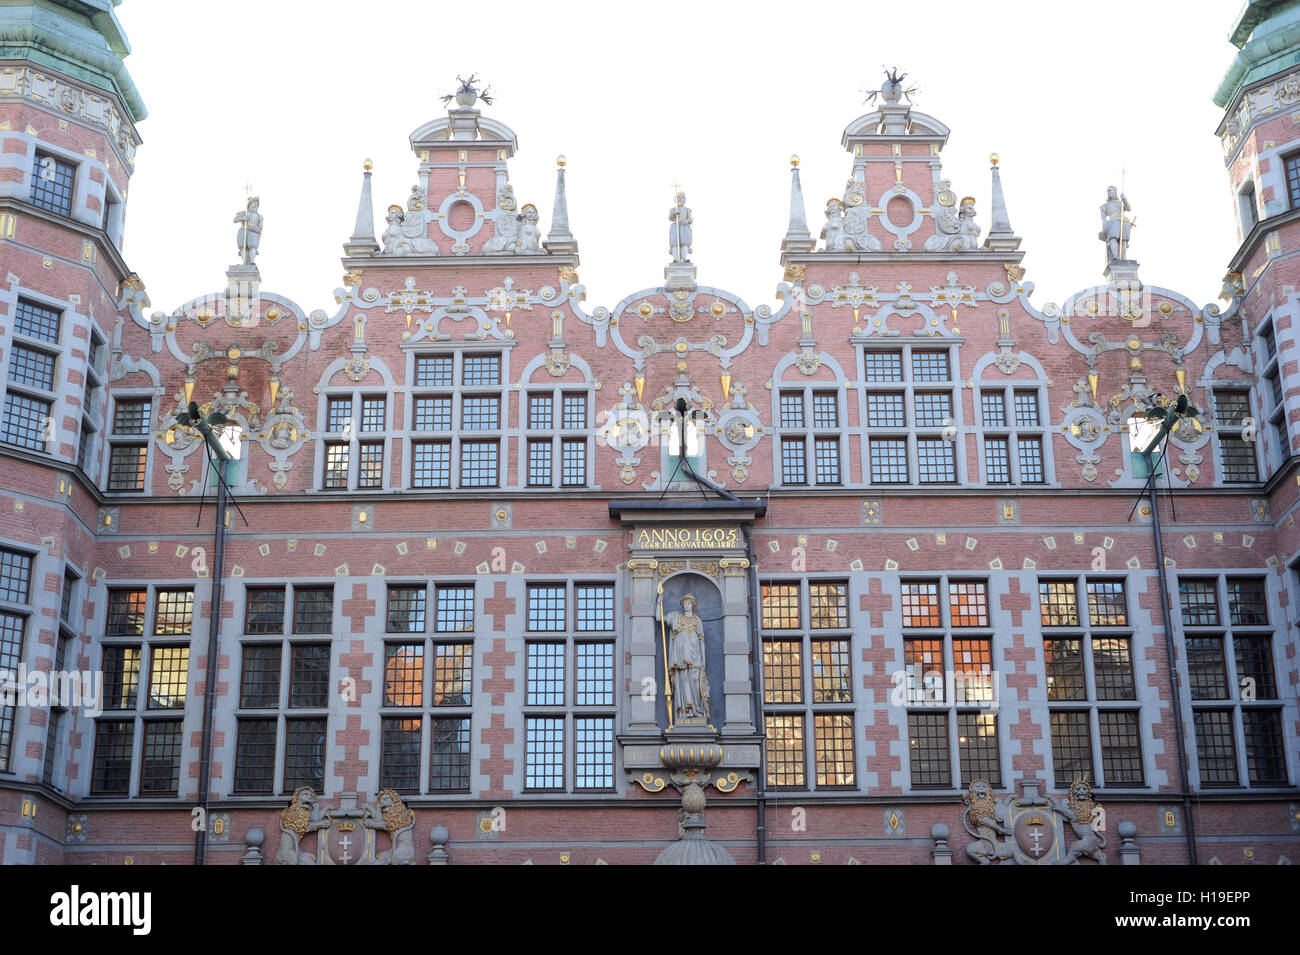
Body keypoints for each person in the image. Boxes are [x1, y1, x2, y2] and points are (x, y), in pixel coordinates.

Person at [663, 594, 709, 723]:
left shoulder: (697, 620)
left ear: (693, 605)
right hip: (680, 657)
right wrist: (659, 601)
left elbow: (701, 641)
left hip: (695, 656)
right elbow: (658, 617)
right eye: (685, 603)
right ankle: (684, 713)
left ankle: (697, 711)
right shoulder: (676, 617)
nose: (687, 605)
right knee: (682, 682)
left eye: (689, 603)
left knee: (695, 682)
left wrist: (703, 659)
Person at [235, 197, 263, 265]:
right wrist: (242, 218)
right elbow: (235, 220)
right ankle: (244, 262)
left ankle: (252, 261)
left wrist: (255, 229)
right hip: (243, 230)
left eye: (256, 204)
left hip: (253, 231)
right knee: (242, 246)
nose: (254, 205)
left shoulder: (259, 216)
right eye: (253, 203)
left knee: (252, 245)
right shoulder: (243, 213)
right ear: (249, 205)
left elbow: (260, 227)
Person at [668, 191, 693, 262]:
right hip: (675, 227)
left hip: (684, 227)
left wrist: (686, 221)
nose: (680, 199)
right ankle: (675, 259)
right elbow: (670, 218)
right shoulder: (673, 209)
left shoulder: (687, 210)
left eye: (682, 198)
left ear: (684, 199)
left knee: (684, 243)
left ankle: (684, 259)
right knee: (675, 243)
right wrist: (674, 213)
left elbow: (690, 219)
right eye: (678, 198)